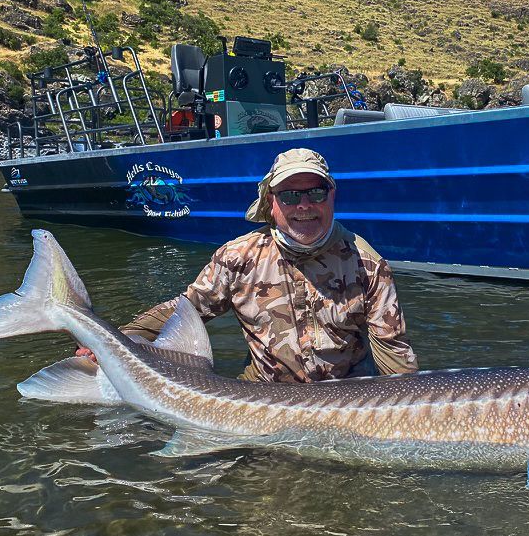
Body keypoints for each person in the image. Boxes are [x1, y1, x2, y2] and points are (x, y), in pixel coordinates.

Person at [77, 148, 418, 384]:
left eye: (315, 193)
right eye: (289, 195)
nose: (304, 206)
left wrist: (412, 403)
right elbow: (185, 309)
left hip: (344, 397)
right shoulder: (238, 256)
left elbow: (393, 352)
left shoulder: (367, 263)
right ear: (271, 202)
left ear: (332, 196)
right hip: (262, 391)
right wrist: (115, 339)